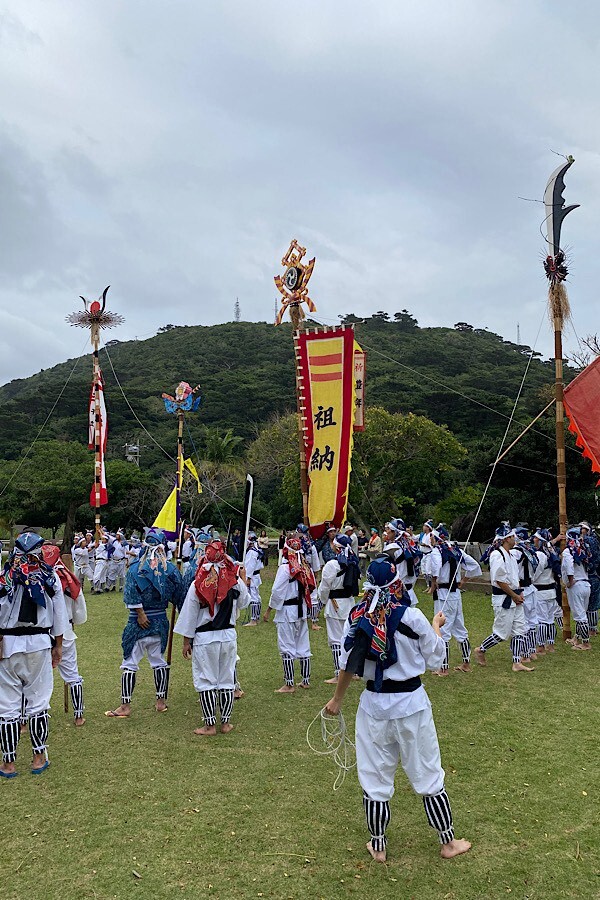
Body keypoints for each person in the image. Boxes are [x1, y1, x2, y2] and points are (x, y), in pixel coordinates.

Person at [325, 557, 471, 862]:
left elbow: (346, 664)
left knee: (375, 777)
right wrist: (436, 626)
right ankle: (448, 842)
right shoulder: (413, 617)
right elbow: (436, 657)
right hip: (411, 705)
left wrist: (337, 700)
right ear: (396, 585)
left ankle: (378, 845)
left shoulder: (356, 618)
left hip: (374, 706)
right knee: (427, 772)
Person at [0, 531, 68, 777]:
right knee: (38, 701)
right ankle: (38, 758)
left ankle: (8, 763)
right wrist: (58, 646)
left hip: (7, 646)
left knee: (7, 705)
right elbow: (60, 615)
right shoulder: (49, 577)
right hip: (38, 645)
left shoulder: (4, 578)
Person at [105, 529, 183, 718]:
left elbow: (131, 594)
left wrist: (140, 613)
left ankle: (126, 705)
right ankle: (160, 702)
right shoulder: (170, 569)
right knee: (157, 660)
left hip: (138, 624)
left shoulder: (135, 569)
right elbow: (179, 595)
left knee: (130, 662)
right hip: (158, 622)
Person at [175, 540, 249, 735]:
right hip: (228, 636)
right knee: (226, 678)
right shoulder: (234, 580)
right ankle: (225, 723)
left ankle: (209, 725)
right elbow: (244, 602)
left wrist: (186, 641)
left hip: (205, 638)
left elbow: (189, 614)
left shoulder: (197, 583)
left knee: (206, 680)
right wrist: (242, 579)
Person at [474, 526, 532, 672]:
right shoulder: (497, 555)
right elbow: (499, 580)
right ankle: (481, 649)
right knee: (501, 633)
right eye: (512, 537)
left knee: (519, 630)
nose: (515, 539)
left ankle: (516, 662)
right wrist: (513, 595)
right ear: (506, 539)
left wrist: (519, 593)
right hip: (503, 598)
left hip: (515, 596)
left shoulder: (511, 555)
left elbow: (514, 578)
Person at [41, 544, 88, 726]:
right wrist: (72, 619)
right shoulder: (68, 577)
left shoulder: (33, 576)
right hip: (65, 631)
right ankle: (79, 715)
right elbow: (79, 606)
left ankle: (27, 720)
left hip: (40, 634)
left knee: (35, 677)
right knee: (72, 673)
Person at [428, 527, 481, 675]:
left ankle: (443, 667)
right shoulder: (456, 550)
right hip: (455, 595)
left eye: (432, 536)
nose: (430, 539)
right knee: (459, 627)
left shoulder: (437, 551)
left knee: (442, 629)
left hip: (444, 594)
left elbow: (436, 567)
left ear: (437, 538)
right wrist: (463, 580)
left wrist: (433, 582)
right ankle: (466, 663)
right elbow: (474, 566)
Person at [269, 535, 315, 693]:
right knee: (303, 644)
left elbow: (277, 591)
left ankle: (289, 684)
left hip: (288, 611)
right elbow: (312, 587)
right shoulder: (305, 566)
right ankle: (305, 680)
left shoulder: (285, 568)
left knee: (287, 645)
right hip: (301, 610)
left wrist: (271, 608)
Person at [318, 534, 361, 683]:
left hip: (335, 604)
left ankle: (339, 674)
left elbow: (324, 587)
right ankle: (353, 671)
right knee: (350, 637)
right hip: (349, 604)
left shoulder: (332, 565)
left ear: (337, 547)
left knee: (336, 640)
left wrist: (323, 600)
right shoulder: (353, 563)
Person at [512, 526, 540, 662]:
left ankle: (525, 653)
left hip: (522, 588)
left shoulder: (516, 552)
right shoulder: (530, 550)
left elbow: (513, 571)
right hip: (531, 588)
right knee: (532, 620)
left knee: (522, 622)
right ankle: (532, 650)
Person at [562, 526, 592, 650]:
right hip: (586, 584)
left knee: (580, 616)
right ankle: (576, 637)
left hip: (576, 585)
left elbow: (569, 566)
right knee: (582, 613)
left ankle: (586, 643)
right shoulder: (582, 550)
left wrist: (570, 581)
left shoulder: (568, 551)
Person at [532, 528, 562, 653]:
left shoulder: (540, 554)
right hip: (551, 591)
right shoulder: (551, 552)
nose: (534, 540)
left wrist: (529, 581)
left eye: (536, 538)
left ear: (541, 540)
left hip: (541, 590)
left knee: (542, 620)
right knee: (550, 619)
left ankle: (541, 646)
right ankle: (551, 645)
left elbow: (536, 573)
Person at [383, 519, 420, 606]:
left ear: (394, 532)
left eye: (389, 529)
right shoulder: (408, 546)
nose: (387, 531)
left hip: (397, 595)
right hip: (409, 591)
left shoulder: (392, 547)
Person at [580, 521, 600, 634]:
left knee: (591, 603)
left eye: (582, 528)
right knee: (590, 603)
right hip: (591, 574)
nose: (580, 530)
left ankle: (592, 628)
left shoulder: (589, 540)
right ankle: (591, 627)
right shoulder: (592, 539)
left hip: (591, 574)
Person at [243, 532, 264, 626]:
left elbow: (250, 566)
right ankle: (256, 617)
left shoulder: (252, 552)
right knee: (256, 597)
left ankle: (253, 620)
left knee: (254, 597)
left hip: (252, 577)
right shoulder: (256, 550)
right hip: (255, 576)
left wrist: (248, 578)